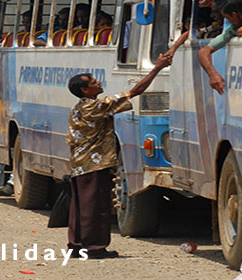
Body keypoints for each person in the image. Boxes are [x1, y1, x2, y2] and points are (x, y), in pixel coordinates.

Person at [64, 53, 170, 259]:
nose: (99, 83)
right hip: (95, 164)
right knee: (96, 207)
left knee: (80, 207)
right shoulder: (95, 106)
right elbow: (136, 91)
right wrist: (157, 68)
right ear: (85, 90)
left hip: (79, 164)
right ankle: (94, 248)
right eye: (94, 82)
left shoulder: (78, 108)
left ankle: (77, 245)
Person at [165, 0, 242, 94]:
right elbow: (203, 51)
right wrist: (213, 75)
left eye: (227, 18)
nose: (215, 17)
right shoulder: (233, 28)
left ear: (235, 15)